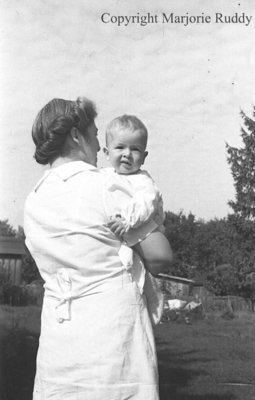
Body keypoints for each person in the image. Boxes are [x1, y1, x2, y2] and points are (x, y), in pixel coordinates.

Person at [24, 96, 173, 400]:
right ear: (77, 135)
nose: (96, 147)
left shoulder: (33, 199)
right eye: (94, 135)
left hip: (59, 343)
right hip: (112, 344)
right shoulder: (108, 187)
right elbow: (160, 256)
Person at [102, 115, 166, 324]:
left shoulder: (142, 180)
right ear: (106, 152)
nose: (127, 154)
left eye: (135, 149)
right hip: (124, 239)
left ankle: (151, 308)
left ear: (144, 156)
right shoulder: (104, 175)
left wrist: (127, 221)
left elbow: (146, 202)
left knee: (144, 279)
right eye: (120, 147)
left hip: (140, 228)